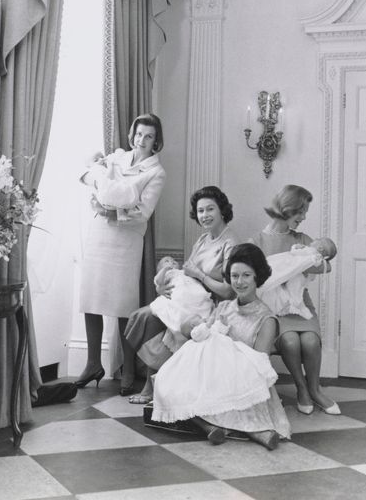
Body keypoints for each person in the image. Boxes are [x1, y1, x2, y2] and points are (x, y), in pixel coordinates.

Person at [152, 243, 291, 450]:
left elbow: (259, 366)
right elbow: (203, 337)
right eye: (235, 276)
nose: (239, 282)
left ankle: (249, 430)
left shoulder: (267, 319)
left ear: (257, 277)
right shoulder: (224, 307)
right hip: (215, 374)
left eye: (246, 275)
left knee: (204, 398)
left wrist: (226, 349)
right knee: (167, 383)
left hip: (246, 381)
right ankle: (209, 426)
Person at [76, 114, 166, 393]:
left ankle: (128, 368)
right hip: (99, 235)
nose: (141, 140)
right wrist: (100, 196)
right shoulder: (117, 158)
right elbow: (90, 179)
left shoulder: (156, 173)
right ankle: (93, 363)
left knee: (123, 307)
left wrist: (111, 209)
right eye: (138, 134)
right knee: (91, 300)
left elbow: (142, 213)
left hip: (126, 241)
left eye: (148, 136)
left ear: (156, 141)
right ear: (132, 135)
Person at [124, 185, 239, 403]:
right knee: (142, 316)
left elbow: (229, 291)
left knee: (152, 319)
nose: (204, 215)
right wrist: (162, 288)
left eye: (210, 209)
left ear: (222, 210)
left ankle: (153, 386)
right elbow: (186, 274)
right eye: (200, 211)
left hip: (212, 307)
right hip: (189, 299)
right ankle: (155, 383)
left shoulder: (230, 243)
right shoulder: (203, 239)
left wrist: (201, 277)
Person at [252, 185, 340, 416]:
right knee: (290, 342)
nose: (303, 218)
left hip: (300, 304)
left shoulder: (302, 239)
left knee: (310, 342)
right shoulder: (258, 240)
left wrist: (301, 261)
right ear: (286, 209)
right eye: (300, 212)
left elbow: (326, 265)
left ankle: (315, 389)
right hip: (275, 307)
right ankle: (301, 388)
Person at [259, 237, 337, 321]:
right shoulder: (316, 259)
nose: (313, 240)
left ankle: (287, 303)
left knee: (278, 277)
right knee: (294, 289)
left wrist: (296, 247)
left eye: (317, 240)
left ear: (320, 248)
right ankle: (289, 302)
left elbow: (295, 253)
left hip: (294, 270)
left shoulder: (311, 252)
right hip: (298, 275)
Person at [148, 255, 214, 352]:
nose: (171, 261)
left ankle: (203, 321)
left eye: (173, 260)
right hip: (180, 290)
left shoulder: (183, 272)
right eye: (166, 261)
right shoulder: (168, 274)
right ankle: (192, 326)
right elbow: (158, 281)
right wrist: (165, 270)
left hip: (194, 289)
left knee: (201, 297)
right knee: (181, 299)